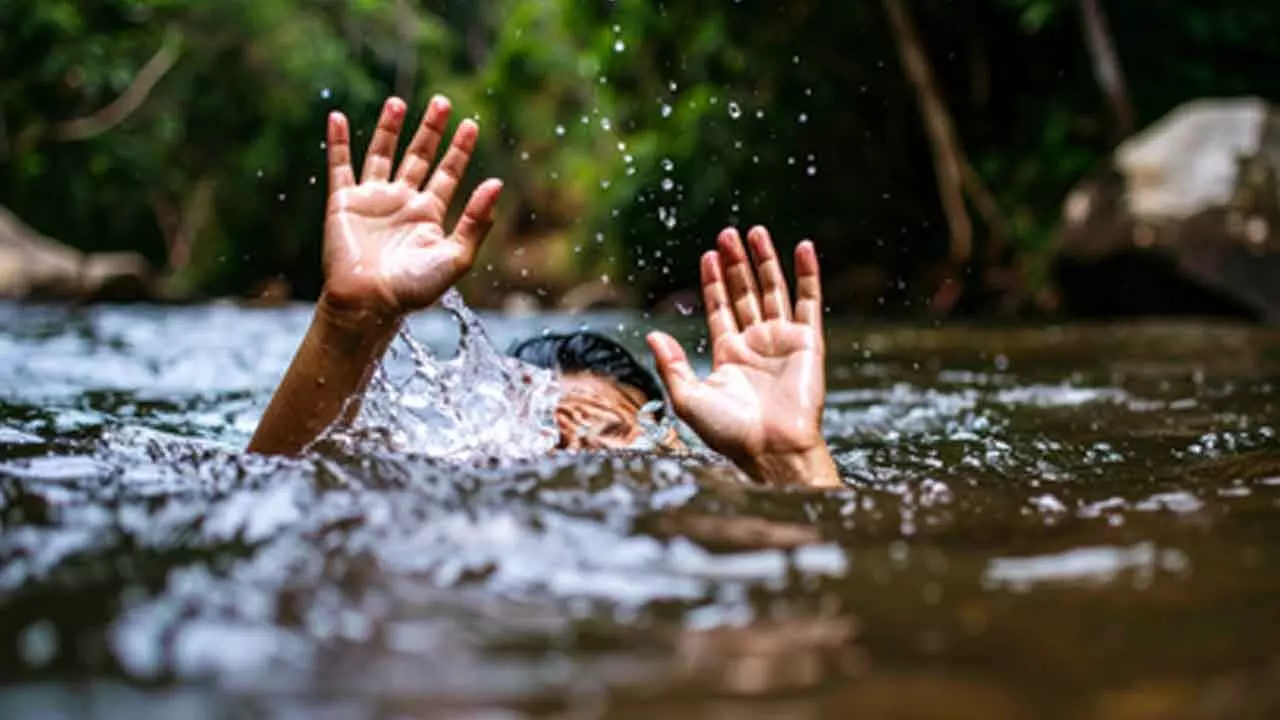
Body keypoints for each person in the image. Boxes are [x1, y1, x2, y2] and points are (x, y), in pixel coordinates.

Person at [248, 95, 842, 489]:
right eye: (542, 436)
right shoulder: (452, 492)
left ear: (666, 444)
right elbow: (279, 502)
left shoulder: (700, 492)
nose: (574, 456)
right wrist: (348, 323)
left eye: (608, 436)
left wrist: (788, 455)